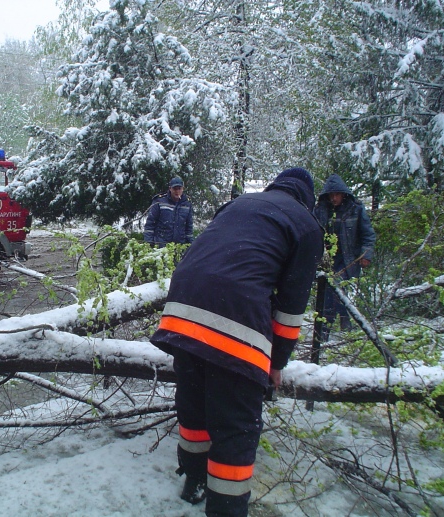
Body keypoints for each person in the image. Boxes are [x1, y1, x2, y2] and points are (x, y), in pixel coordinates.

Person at [150, 168, 324, 517]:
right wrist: (276, 363)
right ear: (308, 199)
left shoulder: (239, 204)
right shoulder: (306, 226)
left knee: (194, 404)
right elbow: (291, 309)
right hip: (235, 316)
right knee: (235, 427)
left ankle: (194, 481)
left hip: (181, 310)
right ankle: (226, 509)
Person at [313, 174, 376, 332]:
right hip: (326, 260)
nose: (334, 198)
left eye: (337, 194)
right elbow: (311, 233)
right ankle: (334, 325)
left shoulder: (356, 209)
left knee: (336, 289)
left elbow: (368, 235)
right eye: (331, 195)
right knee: (330, 291)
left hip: (348, 259)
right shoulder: (320, 210)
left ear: (343, 194)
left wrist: (366, 255)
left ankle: (330, 327)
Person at [143, 176, 194, 246]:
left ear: (183, 189)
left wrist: (190, 245)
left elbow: (189, 227)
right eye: (174, 189)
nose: (177, 191)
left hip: (179, 247)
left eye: (179, 188)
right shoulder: (159, 201)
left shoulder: (187, 204)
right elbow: (150, 224)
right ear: (170, 188)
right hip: (161, 246)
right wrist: (148, 244)